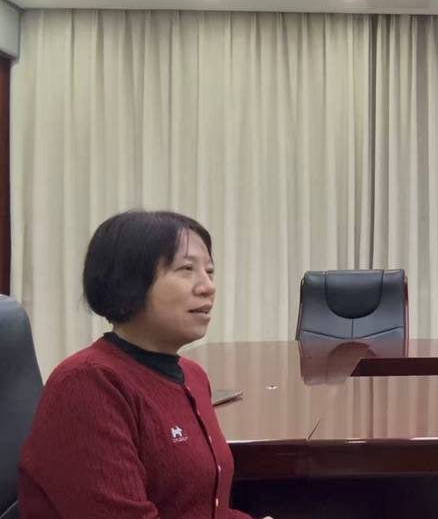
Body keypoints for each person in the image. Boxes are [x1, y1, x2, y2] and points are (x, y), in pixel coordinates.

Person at [18, 210, 269, 519]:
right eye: (186, 269)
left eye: (210, 271)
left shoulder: (192, 376)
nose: (208, 286)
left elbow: (206, 508)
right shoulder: (87, 384)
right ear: (128, 281)